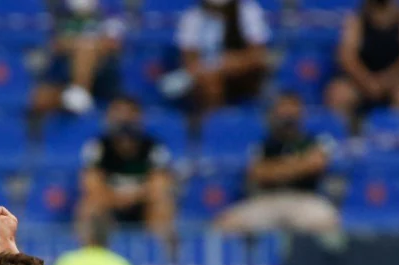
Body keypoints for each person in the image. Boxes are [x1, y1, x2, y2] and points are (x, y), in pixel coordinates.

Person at [213, 92, 339, 235]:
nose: (287, 116)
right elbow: (257, 173)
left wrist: (277, 169)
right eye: (283, 110)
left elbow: (316, 164)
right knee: (226, 223)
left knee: (325, 220)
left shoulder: (314, 140)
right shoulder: (265, 143)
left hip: (303, 198)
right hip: (268, 199)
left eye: (292, 110)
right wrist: (299, 164)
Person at [76, 96, 176, 239]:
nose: (123, 119)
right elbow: (91, 184)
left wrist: (133, 196)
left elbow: (160, 185)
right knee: (89, 207)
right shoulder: (97, 147)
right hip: (110, 203)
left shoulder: (154, 148)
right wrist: (117, 198)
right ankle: (90, 255)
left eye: (128, 114)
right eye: (118, 113)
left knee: (162, 204)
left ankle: (159, 257)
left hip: (143, 203)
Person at [325, 0, 399, 122]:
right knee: (338, 94)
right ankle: (341, 136)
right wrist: (367, 82)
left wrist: (386, 82)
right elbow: (347, 57)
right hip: (361, 80)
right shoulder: (357, 18)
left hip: (397, 81)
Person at [31, 0, 126, 118]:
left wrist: (85, 45)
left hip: (102, 70)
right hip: (65, 68)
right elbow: (57, 44)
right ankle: (75, 96)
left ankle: (79, 91)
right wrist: (79, 44)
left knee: (86, 49)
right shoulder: (61, 7)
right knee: (39, 98)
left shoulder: (110, 5)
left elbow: (113, 43)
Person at [174, 0, 271, 115]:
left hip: (243, 73)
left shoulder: (247, 10)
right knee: (210, 82)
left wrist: (233, 62)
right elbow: (190, 61)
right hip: (206, 76)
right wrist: (214, 70)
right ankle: (215, 123)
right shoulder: (192, 17)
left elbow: (258, 54)